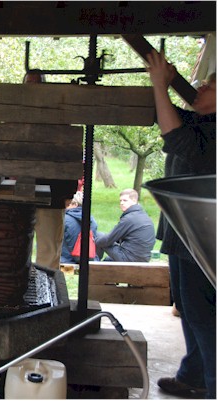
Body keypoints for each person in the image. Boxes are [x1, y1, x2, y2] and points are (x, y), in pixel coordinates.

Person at [147, 49, 216, 399]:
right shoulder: (204, 123)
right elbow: (172, 120)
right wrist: (168, 84)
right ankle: (194, 375)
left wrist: (161, 84)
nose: (201, 86)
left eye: (210, 85)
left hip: (203, 235)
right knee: (188, 307)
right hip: (183, 232)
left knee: (203, 314)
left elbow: (175, 137)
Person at [24, 70, 78, 269]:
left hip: (52, 193)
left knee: (49, 249)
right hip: (20, 190)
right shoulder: (16, 114)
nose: (34, 89)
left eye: (37, 84)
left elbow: (69, 153)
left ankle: (46, 284)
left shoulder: (58, 115)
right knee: (18, 245)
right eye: (29, 84)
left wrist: (68, 192)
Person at [95, 189, 155, 262]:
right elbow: (116, 238)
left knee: (98, 235)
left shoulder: (129, 218)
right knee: (108, 260)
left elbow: (108, 239)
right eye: (120, 201)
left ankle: (94, 263)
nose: (122, 203)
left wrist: (94, 240)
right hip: (143, 259)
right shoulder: (143, 216)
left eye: (125, 200)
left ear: (134, 201)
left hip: (129, 258)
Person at [61, 191, 99, 264]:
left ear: (75, 204)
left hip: (67, 261)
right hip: (89, 260)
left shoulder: (65, 219)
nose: (65, 206)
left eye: (68, 204)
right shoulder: (91, 220)